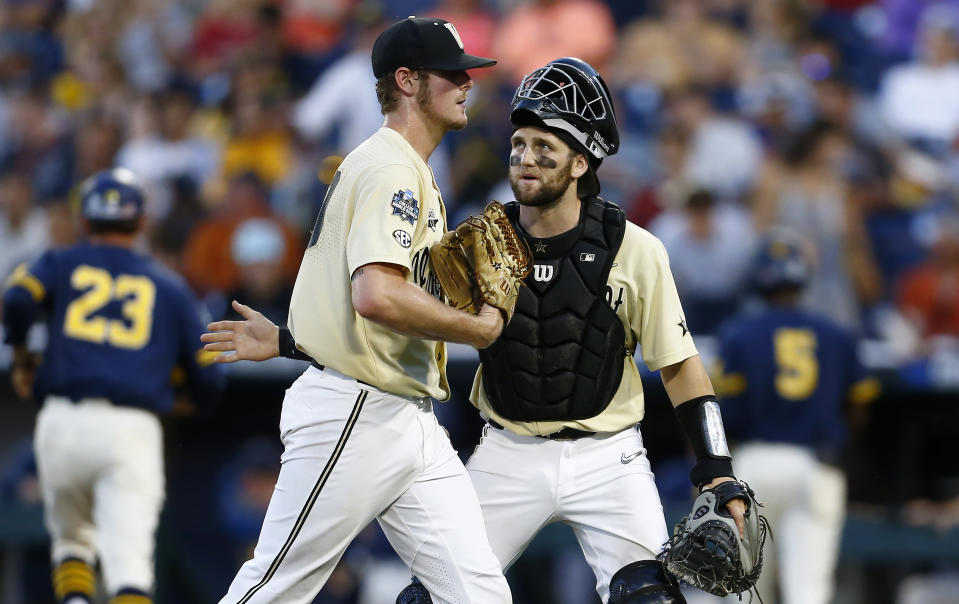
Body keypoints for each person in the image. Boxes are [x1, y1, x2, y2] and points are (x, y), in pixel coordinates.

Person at [207, 57, 748, 604]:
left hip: (610, 455)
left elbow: (680, 363)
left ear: (582, 162)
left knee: (650, 598)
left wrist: (716, 465)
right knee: (435, 598)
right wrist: (286, 341)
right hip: (507, 449)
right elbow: (394, 318)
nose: (525, 158)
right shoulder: (476, 243)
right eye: (520, 143)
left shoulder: (635, 248)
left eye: (545, 147)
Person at [201, 17, 512, 604]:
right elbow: (376, 295)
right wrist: (479, 329)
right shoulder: (393, 167)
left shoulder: (385, 163)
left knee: (479, 594)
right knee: (273, 589)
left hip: (404, 416)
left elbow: (353, 298)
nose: (467, 82)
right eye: (452, 72)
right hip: (359, 411)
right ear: (407, 80)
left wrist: (295, 340)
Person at [2, 167, 225, 604]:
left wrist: (22, 353)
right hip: (131, 427)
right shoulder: (170, 286)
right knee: (129, 562)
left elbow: (16, 299)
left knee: (71, 543)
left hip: (63, 419)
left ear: (85, 221)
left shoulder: (60, 260)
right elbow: (210, 372)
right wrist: (191, 402)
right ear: (141, 222)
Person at [700, 230, 880, 604]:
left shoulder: (738, 335)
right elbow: (860, 405)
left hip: (753, 464)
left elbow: (720, 416)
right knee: (808, 589)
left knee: (746, 593)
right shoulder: (838, 334)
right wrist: (839, 441)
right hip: (816, 464)